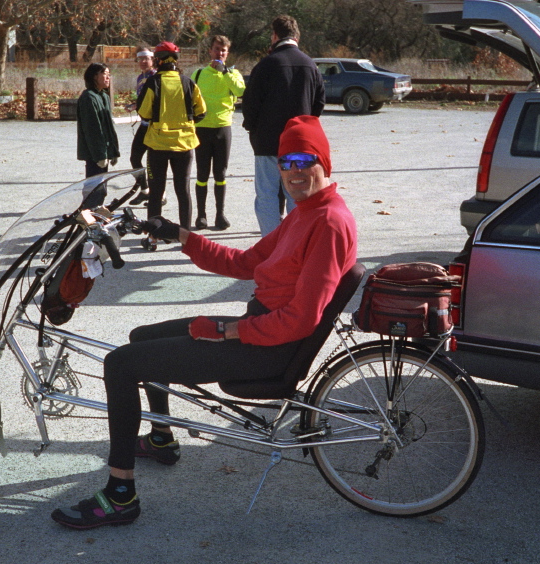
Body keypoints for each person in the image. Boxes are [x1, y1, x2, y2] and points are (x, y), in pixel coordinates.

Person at [51, 115, 357, 529]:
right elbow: (245, 262)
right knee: (141, 337)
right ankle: (161, 436)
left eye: (306, 160)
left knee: (120, 365)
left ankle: (120, 495)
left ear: (325, 163)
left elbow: (301, 320)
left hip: (266, 349)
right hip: (260, 331)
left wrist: (229, 331)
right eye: (286, 162)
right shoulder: (305, 212)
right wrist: (180, 234)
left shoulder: (329, 222)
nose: (295, 171)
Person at [242, 15, 326, 236]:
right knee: (297, 195)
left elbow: (250, 104)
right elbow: (319, 103)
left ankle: (271, 248)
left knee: (267, 195)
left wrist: (253, 129)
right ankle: (297, 245)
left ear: (275, 36)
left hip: (268, 143)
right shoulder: (310, 65)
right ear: (297, 36)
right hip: (300, 143)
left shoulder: (266, 65)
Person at [136, 41, 207, 229]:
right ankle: (186, 237)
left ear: (157, 61)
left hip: (158, 144)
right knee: (183, 191)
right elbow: (201, 112)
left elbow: (144, 113)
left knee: (156, 193)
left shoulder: (153, 82)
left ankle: (153, 236)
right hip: (184, 144)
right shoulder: (188, 83)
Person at [191, 35, 245, 231]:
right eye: (216, 49)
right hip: (202, 129)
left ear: (227, 53)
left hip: (223, 128)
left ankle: (220, 215)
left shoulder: (233, 74)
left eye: (223, 51)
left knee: (220, 173)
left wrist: (226, 73)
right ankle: (201, 215)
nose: (219, 53)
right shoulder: (198, 74)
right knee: (202, 173)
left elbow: (240, 92)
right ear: (210, 51)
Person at [76, 63, 119, 179]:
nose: (108, 77)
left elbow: (109, 127)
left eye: (109, 74)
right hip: (94, 154)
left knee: (101, 188)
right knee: (94, 190)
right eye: (105, 74)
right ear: (95, 76)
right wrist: (100, 155)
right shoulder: (88, 98)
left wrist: (113, 151)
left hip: (104, 151)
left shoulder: (104, 96)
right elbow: (92, 130)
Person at [127, 47, 156, 205]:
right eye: (140, 59)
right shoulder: (140, 77)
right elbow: (143, 99)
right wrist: (134, 105)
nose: (144, 62)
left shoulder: (156, 76)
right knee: (135, 158)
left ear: (153, 59)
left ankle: (160, 195)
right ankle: (145, 190)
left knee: (153, 161)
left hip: (155, 125)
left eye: (147, 58)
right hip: (143, 123)